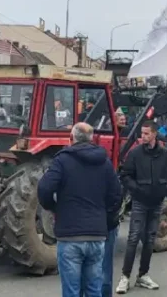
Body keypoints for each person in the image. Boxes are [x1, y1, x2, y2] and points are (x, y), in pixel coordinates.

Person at [37, 123, 123, 297]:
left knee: (71, 291)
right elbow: (117, 196)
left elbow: (44, 189)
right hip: (96, 236)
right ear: (92, 139)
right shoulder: (105, 163)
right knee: (93, 289)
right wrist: (102, 219)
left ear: (71, 139)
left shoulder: (62, 161)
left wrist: (54, 208)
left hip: (70, 236)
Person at [116, 121, 167, 293]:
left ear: (155, 134)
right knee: (133, 238)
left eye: (147, 133)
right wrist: (137, 190)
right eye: (142, 133)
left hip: (157, 202)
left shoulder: (164, 154)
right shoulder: (135, 153)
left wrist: (165, 188)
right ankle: (125, 277)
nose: (143, 137)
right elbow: (125, 175)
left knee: (149, 239)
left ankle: (143, 275)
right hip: (140, 201)